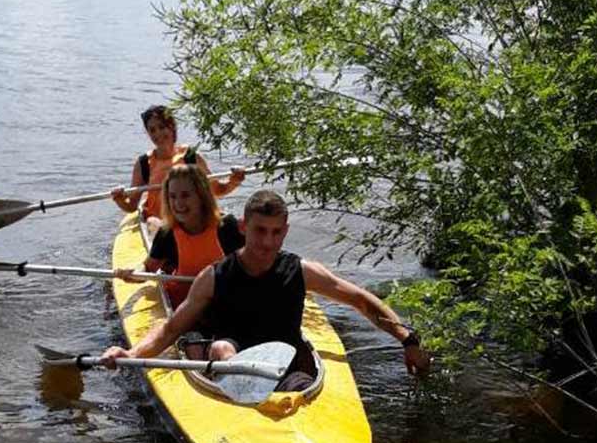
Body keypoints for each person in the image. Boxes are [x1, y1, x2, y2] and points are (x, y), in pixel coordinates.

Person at [101, 188, 431, 378]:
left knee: (294, 375)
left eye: (276, 232)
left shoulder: (300, 270)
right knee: (221, 347)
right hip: (232, 363)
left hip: (284, 365)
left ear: (285, 231)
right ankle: (237, 384)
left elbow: (360, 300)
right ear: (244, 227)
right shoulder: (214, 277)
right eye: (260, 230)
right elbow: (171, 329)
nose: (267, 242)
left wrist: (406, 338)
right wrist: (130, 353)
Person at [120, 162, 245, 308]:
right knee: (155, 226)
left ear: (201, 196)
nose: (178, 203)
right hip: (183, 304)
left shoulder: (227, 226)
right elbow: (148, 268)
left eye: (185, 195)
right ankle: (152, 223)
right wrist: (133, 274)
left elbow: (249, 265)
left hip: (220, 301)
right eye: (173, 196)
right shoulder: (167, 233)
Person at [110, 105, 245, 234]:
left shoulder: (191, 157)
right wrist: (119, 199)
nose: (157, 134)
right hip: (158, 222)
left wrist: (235, 180)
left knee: (230, 223)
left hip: (191, 218)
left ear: (172, 127)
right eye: (152, 130)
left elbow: (217, 190)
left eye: (162, 127)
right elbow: (132, 206)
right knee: (159, 226)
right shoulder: (144, 163)